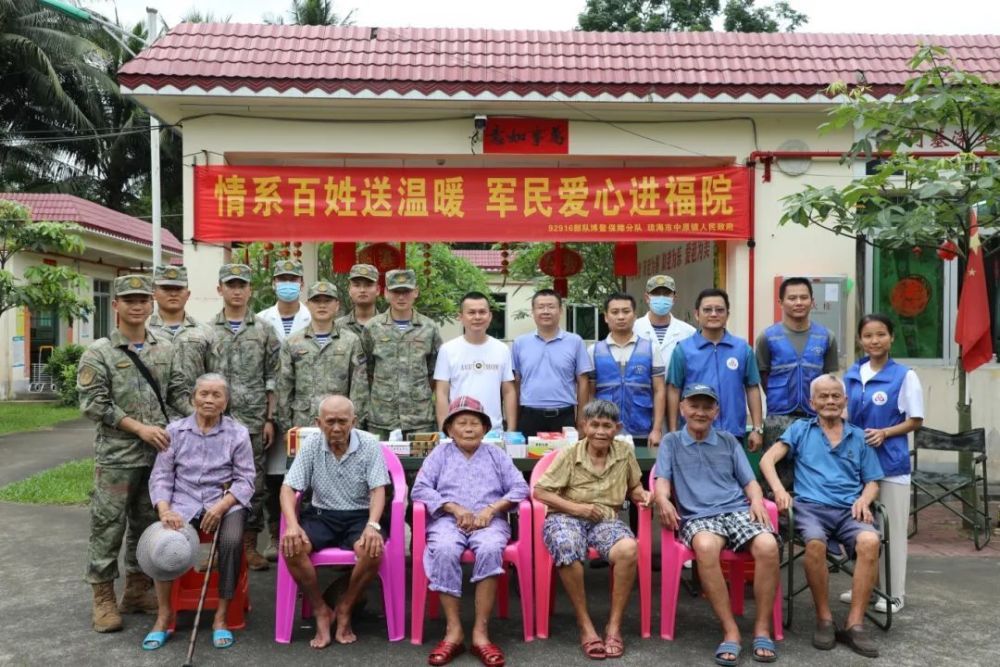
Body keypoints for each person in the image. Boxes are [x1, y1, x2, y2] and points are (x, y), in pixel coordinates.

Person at [76, 274, 191, 633]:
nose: (137, 305)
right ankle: (104, 597)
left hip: (158, 458)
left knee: (147, 525)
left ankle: (138, 590)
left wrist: (205, 420)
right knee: (108, 526)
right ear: (116, 306)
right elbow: (92, 404)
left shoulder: (165, 349)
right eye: (129, 300)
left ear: (151, 303)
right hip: (117, 455)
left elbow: (176, 394)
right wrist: (138, 427)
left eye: (142, 299)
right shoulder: (100, 352)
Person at [760, 374, 885, 659]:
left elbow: (874, 481)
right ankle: (824, 619)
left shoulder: (859, 436)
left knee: (869, 541)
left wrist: (865, 499)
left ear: (845, 401)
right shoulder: (800, 430)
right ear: (812, 402)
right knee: (814, 543)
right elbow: (768, 460)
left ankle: (855, 623)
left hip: (849, 509)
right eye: (824, 396)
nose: (830, 401)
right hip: (810, 507)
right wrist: (779, 491)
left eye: (835, 396)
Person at [653, 384, 781, 665]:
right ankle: (730, 630)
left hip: (736, 510)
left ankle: (761, 627)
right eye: (694, 405)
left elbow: (750, 483)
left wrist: (757, 501)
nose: (700, 412)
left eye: (707, 406)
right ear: (683, 408)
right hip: (698, 516)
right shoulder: (671, 442)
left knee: (768, 545)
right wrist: (662, 499)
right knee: (706, 546)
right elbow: (661, 482)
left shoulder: (728, 441)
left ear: (716, 411)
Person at [412, 396, 530, 667]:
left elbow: (520, 488)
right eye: (461, 423)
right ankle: (453, 631)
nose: (468, 428)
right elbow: (420, 488)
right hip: (447, 522)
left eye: (474, 423)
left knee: (490, 549)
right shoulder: (439, 454)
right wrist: (452, 508)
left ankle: (480, 633)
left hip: (489, 522)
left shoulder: (496, 454)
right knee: (443, 549)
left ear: (485, 428)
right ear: (450, 429)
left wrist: (491, 509)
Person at [144, 373, 256, 651]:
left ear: (226, 401)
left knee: (230, 542)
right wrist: (164, 510)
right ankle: (163, 616)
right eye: (203, 393)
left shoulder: (237, 433)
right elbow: (161, 477)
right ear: (193, 398)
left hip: (225, 503)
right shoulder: (175, 431)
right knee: (163, 543)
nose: (209, 399)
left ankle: (221, 617)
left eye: (216, 394)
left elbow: (246, 480)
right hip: (182, 504)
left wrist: (221, 506)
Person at [533, 399, 651, 660]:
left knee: (628, 548)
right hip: (566, 515)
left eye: (606, 426)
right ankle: (585, 625)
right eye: (594, 424)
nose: (600, 431)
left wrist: (643, 495)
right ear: (584, 426)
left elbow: (634, 487)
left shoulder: (624, 452)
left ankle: (614, 627)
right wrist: (578, 509)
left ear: (617, 428)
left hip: (606, 519)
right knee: (566, 545)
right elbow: (540, 491)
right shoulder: (570, 453)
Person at [279, 395, 390, 649]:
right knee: (292, 546)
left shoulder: (370, 444)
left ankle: (345, 607)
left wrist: (373, 525)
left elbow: (378, 490)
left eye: (343, 421)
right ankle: (320, 609)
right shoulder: (311, 445)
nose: (337, 428)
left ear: (354, 421)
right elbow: (288, 488)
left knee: (372, 549)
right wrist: (292, 525)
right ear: (319, 423)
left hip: (361, 515)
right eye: (330, 422)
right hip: (322, 515)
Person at [272, 280, 370, 561]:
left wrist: (356, 427)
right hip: (304, 429)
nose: (323, 305)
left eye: (328, 300)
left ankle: (347, 549)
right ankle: (304, 546)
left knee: (344, 485)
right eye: (317, 300)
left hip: (344, 429)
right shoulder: (293, 343)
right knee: (306, 490)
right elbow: (283, 389)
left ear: (337, 305)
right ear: (309, 305)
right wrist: (285, 428)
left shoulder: (352, 341)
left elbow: (359, 388)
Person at [842, 314, 923, 615]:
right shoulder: (852, 373)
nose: (874, 341)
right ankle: (864, 585)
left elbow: (915, 420)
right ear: (860, 340)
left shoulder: (905, 375)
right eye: (868, 336)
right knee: (861, 529)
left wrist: (886, 433)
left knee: (893, 531)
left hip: (890, 465)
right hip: (856, 466)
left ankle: (893, 594)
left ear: (891, 338)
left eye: (880, 335)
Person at [211, 263, 281, 571]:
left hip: (253, 420)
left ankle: (249, 544)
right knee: (214, 480)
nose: (237, 290)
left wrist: (269, 418)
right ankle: (217, 547)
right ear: (220, 289)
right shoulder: (206, 331)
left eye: (242, 285)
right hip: (216, 422)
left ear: (250, 290)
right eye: (231, 285)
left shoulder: (265, 330)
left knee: (254, 482)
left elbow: (273, 376)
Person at [667, 288, 765, 455]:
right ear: (697, 314)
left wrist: (757, 428)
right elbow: (674, 390)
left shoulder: (742, 349)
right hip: (693, 434)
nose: (713, 314)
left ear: (727, 314)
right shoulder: (683, 350)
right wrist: (674, 431)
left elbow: (752, 387)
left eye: (720, 310)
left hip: (733, 434)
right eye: (707, 310)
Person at [756, 277, 839, 452]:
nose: (799, 302)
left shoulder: (826, 337)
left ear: (812, 301)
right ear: (781, 302)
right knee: (777, 471)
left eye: (804, 297)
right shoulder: (767, 337)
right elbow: (764, 377)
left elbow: (829, 377)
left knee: (815, 471)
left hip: (816, 416)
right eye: (792, 298)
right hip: (778, 418)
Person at [366, 269, 442, 439]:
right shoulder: (372, 328)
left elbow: (434, 372)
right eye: (395, 292)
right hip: (381, 419)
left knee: (421, 465)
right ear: (386, 293)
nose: (401, 297)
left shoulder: (429, 328)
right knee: (381, 464)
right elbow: (367, 371)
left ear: (416, 292)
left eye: (406, 291)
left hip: (420, 419)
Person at [586, 292, 665, 448]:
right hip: (604, 432)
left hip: (642, 431)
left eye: (626, 311)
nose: (621, 317)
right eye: (615, 312)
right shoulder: (594, 351)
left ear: (634, 316)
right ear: (606, 317)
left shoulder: (650, 349)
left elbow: (659, 391)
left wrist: (656, 429)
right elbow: (589, 394)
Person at [511, 289, 593, 436]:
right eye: (540, 307)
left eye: (551, 306)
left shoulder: (575, 341)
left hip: (564, 416)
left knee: (564, 458)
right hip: (529, 416)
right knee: (528, 459)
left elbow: (583, 382)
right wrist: (514, 422)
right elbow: (516, 382)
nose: (546, 311)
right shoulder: (520, 343)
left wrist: (581, 421)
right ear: (533, 311)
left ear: (560, 311)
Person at [434, 292, 516, 432]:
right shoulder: (448, 350)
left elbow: (508, 391)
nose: (477, 317)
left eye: (482, 312)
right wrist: (445, 431)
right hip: (459, 430)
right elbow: (441, 393)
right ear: (461, 317)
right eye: (471, 312)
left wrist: (511, 430)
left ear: (490, 316)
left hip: (493, 430)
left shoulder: (502, 349)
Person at [147, 265, 217, 401]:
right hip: (154, 415)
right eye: (166, 289)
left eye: (178, 289)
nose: (173, 294)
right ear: (154, 293)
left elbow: (215, 376)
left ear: (188, 294)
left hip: (196, 412)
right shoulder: (143, 329)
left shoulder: (205, 332)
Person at [633, 274, 696, 371]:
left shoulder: (689, 332)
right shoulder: (633, 329)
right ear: (647, 297)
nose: (661, 298)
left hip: (676, 386)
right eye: (656, 293)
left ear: (674, 298)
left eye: (666, 294)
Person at [256, 259, 312, 341]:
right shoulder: (261, 319)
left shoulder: (312, 318)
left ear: (302, 285)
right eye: (282, 279)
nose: (287, 283)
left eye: (293, 279)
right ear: (273, 284)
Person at [336, 263, 382, 339]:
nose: (362, 290)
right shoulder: (336, 327)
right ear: (349, 290)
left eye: (368, 285)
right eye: (357, 285)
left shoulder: (389, 327)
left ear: (377, 290)